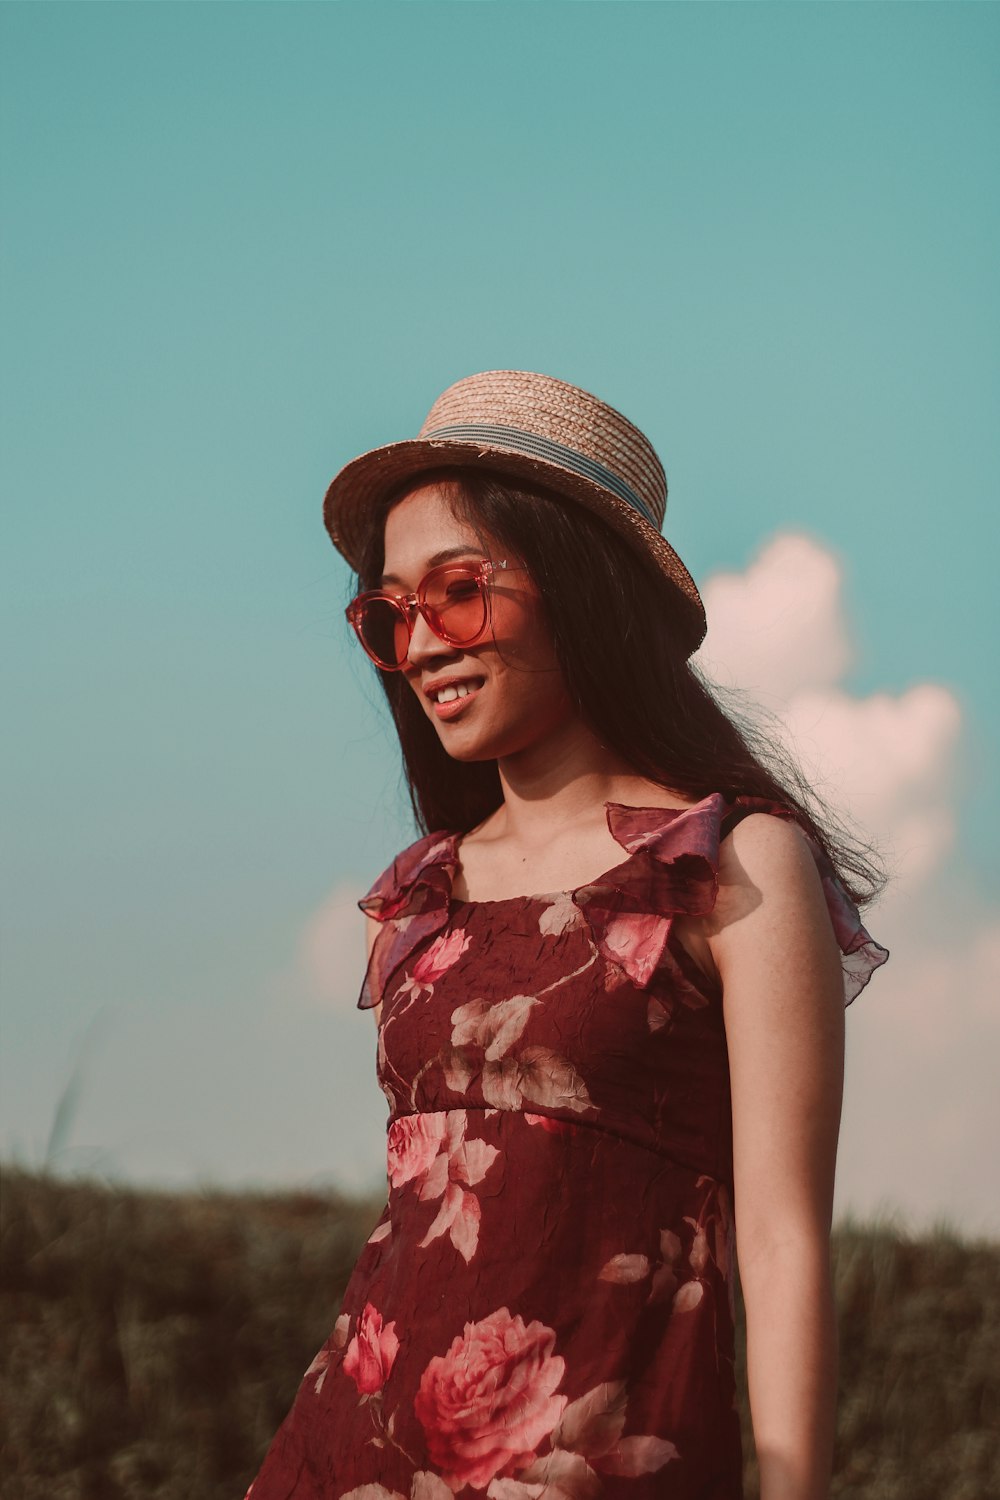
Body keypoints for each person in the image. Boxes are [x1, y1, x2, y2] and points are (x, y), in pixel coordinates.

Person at [245, 369, 891, 1500]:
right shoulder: (421, 896)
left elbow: (783, 1242)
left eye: (459, 591)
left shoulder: (731, 864)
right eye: (390, 614)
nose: (422, 643)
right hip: (347, 1458)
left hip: (590, 1465)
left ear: (582, 590)